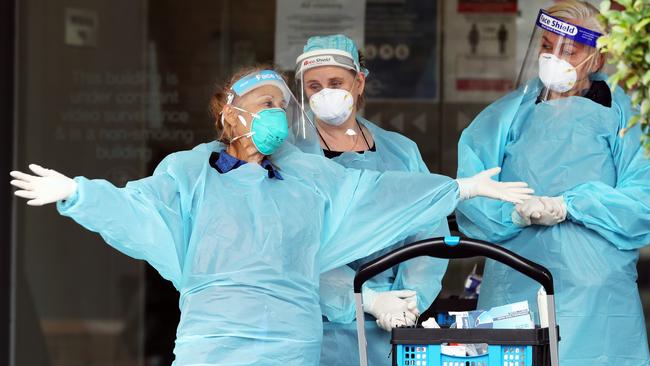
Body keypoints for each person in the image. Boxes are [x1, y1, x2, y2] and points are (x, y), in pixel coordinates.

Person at [11, 66, 533, 366]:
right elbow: (137, 211)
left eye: (282, 106)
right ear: (229, 112)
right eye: (264, 103)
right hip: (213, 345)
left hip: (291, 346)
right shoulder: (190, 174)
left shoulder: (308, 178)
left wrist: (459, 189)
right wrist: (78, 194)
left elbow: (376, 195)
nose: (276, 115)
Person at [455, 2, 650, 365]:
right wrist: (511, 216)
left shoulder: (623, 117)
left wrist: (569, 205)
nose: (552, 57)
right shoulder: (510, 113)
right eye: (546, 46)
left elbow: (644, 201)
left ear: (596, 58)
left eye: (568, 50)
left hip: (594, 297)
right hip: (513, 286)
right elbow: (470, 189)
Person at [293, 34, 449, 365]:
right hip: (319, 328)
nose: (325, 94)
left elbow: (428, 228)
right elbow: (293, 248)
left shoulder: (401, 151)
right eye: (314, 87)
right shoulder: (292, 157)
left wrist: (410, 301)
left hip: (395, 327)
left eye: (335, 82)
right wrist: (368, 299)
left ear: (359, 82)